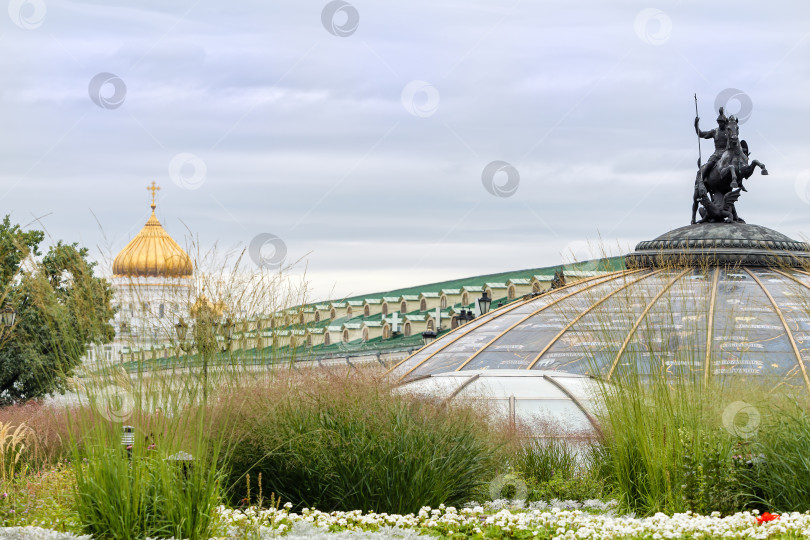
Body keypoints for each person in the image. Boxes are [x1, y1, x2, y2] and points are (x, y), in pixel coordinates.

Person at [695, 107, 729, 184]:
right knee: (709, 165)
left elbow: (735, 140)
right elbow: (701, 134)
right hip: (717, 153)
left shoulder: (729, 131)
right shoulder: (714, 132)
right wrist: (696, 125)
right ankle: (701, 182)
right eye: (719, 122)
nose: (720, 124)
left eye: (722, 122)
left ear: (725, 122)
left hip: (727, 153)